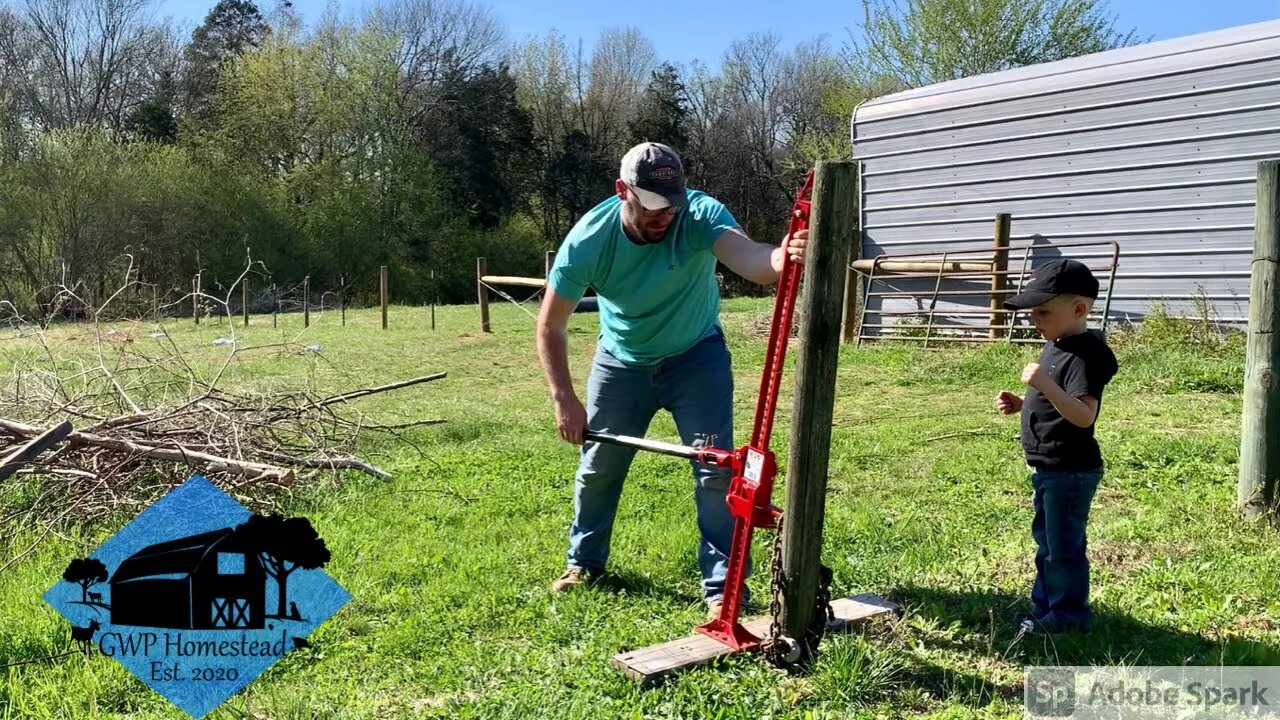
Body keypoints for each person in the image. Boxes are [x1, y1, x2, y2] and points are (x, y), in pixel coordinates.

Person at [536, 142, 807, 620]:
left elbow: (752, 261)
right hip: (621, 362)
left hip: (695, 358)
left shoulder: (698, 214)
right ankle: (584, 563)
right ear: (624, 192)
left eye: (672, 205)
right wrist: (565, 399)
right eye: (653, 207)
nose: (665, 216)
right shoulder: (589, 241)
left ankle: (724, 588)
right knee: (600, 466)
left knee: (715, 472)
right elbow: (550, 325)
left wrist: (782, 257)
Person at [995, 258, 1118, 634]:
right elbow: (1056, 400)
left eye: (1043, 312)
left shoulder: (1085, 355)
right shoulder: (1058, 343)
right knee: (1047, 543)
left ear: (1079, 309)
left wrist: (1044, 386)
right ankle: (1046, 607)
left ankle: (1067, 616)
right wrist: (1023, 401)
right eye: (1033, 313)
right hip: (1050, 468)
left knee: (1062, 547)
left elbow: (1083, 414)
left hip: (1070, 470)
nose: (1036, 320)